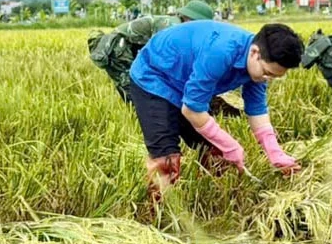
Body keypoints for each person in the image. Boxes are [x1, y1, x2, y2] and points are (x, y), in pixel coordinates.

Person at [128, 21, 304, 202]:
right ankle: (157, 215)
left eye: (275, 76)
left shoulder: (257, 70)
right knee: (166, 159)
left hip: (188, 85)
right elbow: (192, 109)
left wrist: (275, 153)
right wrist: (230, 144)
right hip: (155, 78)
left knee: (217, 153)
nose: (268, 79)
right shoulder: (220, 52)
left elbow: (257, 110)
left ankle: (212, 200)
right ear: (254, 52)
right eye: (268, 73)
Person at [88, 0, 214, 102]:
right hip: (117, 47)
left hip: (132, 46)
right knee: (132, 83)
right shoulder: (171, 26)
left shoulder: (182, 28)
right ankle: (138, 115)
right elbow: (163, 58)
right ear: (190, 18)